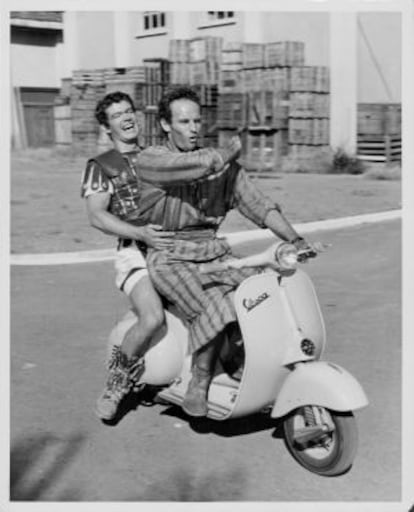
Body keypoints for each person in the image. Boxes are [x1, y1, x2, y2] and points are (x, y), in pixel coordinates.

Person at [132, 85, 315, 417]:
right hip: (170, 254)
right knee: (218, 302)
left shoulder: (223, 168)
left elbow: (258, 205)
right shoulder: (152, 160)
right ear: (165, 125)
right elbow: (196, 165)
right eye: (184, 122)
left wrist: (296, 239)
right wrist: (226, 154)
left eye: (197, 121)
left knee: (263, 288)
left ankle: (240, 357)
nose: (193, 128)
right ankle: (199, 380)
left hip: (213, 250)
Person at [80, 91, 241, 421]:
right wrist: (139, 232)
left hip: (175, 247)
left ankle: (221, 367)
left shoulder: (156, 155)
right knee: (152, 317)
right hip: (135, 252)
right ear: (106, 127)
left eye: (129, 111)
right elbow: (96, 216)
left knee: (221, 295)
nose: (126, 118)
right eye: (116, 115)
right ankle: (116, 383)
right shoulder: (102, 166)